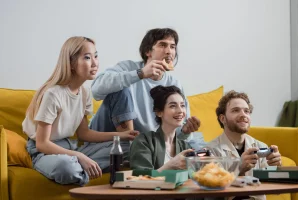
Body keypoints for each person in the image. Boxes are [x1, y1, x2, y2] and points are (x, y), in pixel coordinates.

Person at [22, 36, 139, 186]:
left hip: (71, 147)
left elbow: (84, 134)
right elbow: (42, 143)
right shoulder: (53, 94)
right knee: (66, 168)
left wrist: (122, 135)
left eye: (96, 56)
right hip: (46, 152)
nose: (95, 63)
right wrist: (79, 156)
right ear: (71, 63)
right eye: (87, 57)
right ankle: (82, 169)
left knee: (128, 148)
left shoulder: (84, 93)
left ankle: (82, 168)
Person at [90, 28, 204, 153]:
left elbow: (176, 132)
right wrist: (140, 74)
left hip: (148, 142)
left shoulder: (174, 84)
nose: (169, 51)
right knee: (120, 87)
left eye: (172, 47)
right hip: (109, 134)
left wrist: (185, 131)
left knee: (201, 149)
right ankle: (135, 150)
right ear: (147, 51)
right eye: (162, 45)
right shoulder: (128, 68)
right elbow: (96, 89)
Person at [207, 90, 282, 200]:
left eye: (247, 111)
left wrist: (277, 167)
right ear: (222, 119)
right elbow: (211, 194)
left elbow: (275, 189)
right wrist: (239, 168)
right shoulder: (210, 150)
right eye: (235, 110)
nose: (243, 115)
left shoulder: (261, 145)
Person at [130, 85, 194, 171]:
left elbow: (193, 177)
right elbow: (141, 178)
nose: (180, 111)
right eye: (173, 106)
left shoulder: (185, 146)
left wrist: (204, 163)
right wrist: (170, 165)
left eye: (182, 105)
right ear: (159, 112)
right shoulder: (144, 141)